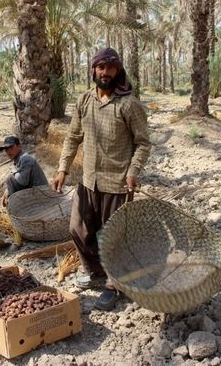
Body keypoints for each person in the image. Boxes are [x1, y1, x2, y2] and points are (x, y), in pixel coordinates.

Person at [51, 47, 151, 311]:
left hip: (117, 183)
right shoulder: (84, 101)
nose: (105, 73)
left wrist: (133, 171)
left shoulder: (129, 104)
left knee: (112, 237)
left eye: (110, 68)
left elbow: (143, 143)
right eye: (100, 68)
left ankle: (113, 284)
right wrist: (62, 169)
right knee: (78, 229)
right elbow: (73, 137)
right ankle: (97, 272)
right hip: (88, 181)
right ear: (93, 70)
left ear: (118, 71)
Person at [0, 135, 48, 204]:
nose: (8, 151)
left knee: (10, 179)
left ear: (19, 146)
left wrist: (13, 170)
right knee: (10, 181)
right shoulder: (18, 159)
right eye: (6, 149)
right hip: (34, 192)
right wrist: (8, 189)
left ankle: (15, 207)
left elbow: (22, 181)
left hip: (41, 194)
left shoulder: (25, 158)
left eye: (11, 147)